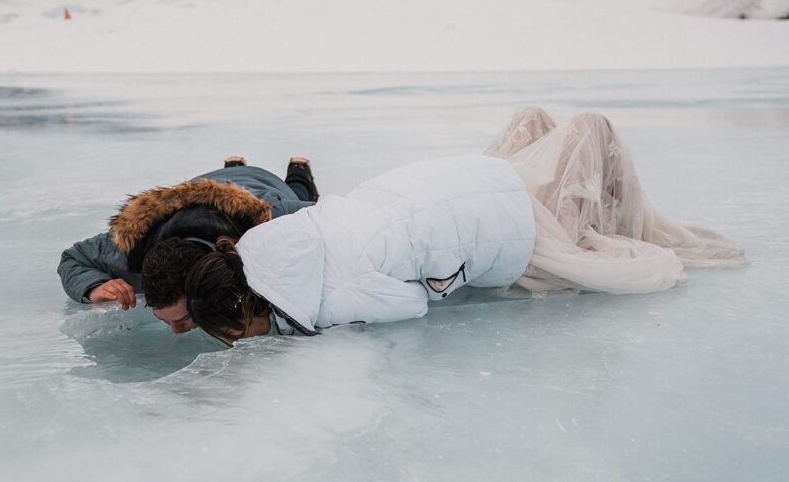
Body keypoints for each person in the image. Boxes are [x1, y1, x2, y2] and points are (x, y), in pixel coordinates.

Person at [144, 108, 746, 345]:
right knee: (537, 143)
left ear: (242, 310)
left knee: (583, 196)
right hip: (450, 179)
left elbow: (410, 306)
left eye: (228, 333)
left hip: (497, 222)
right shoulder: (280, 238)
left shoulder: (328, 297)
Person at [56, 157, 319, 333]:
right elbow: (73, 258)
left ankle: (299, 170)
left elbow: (329, 217)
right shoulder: (131, 247)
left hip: (262, 186)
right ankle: (231, 168)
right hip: (206, 185)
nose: (177, 333)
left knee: (298, 190)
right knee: (224, 181)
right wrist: (93, 287)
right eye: (167, 321)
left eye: (183, 320)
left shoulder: (269, 224)